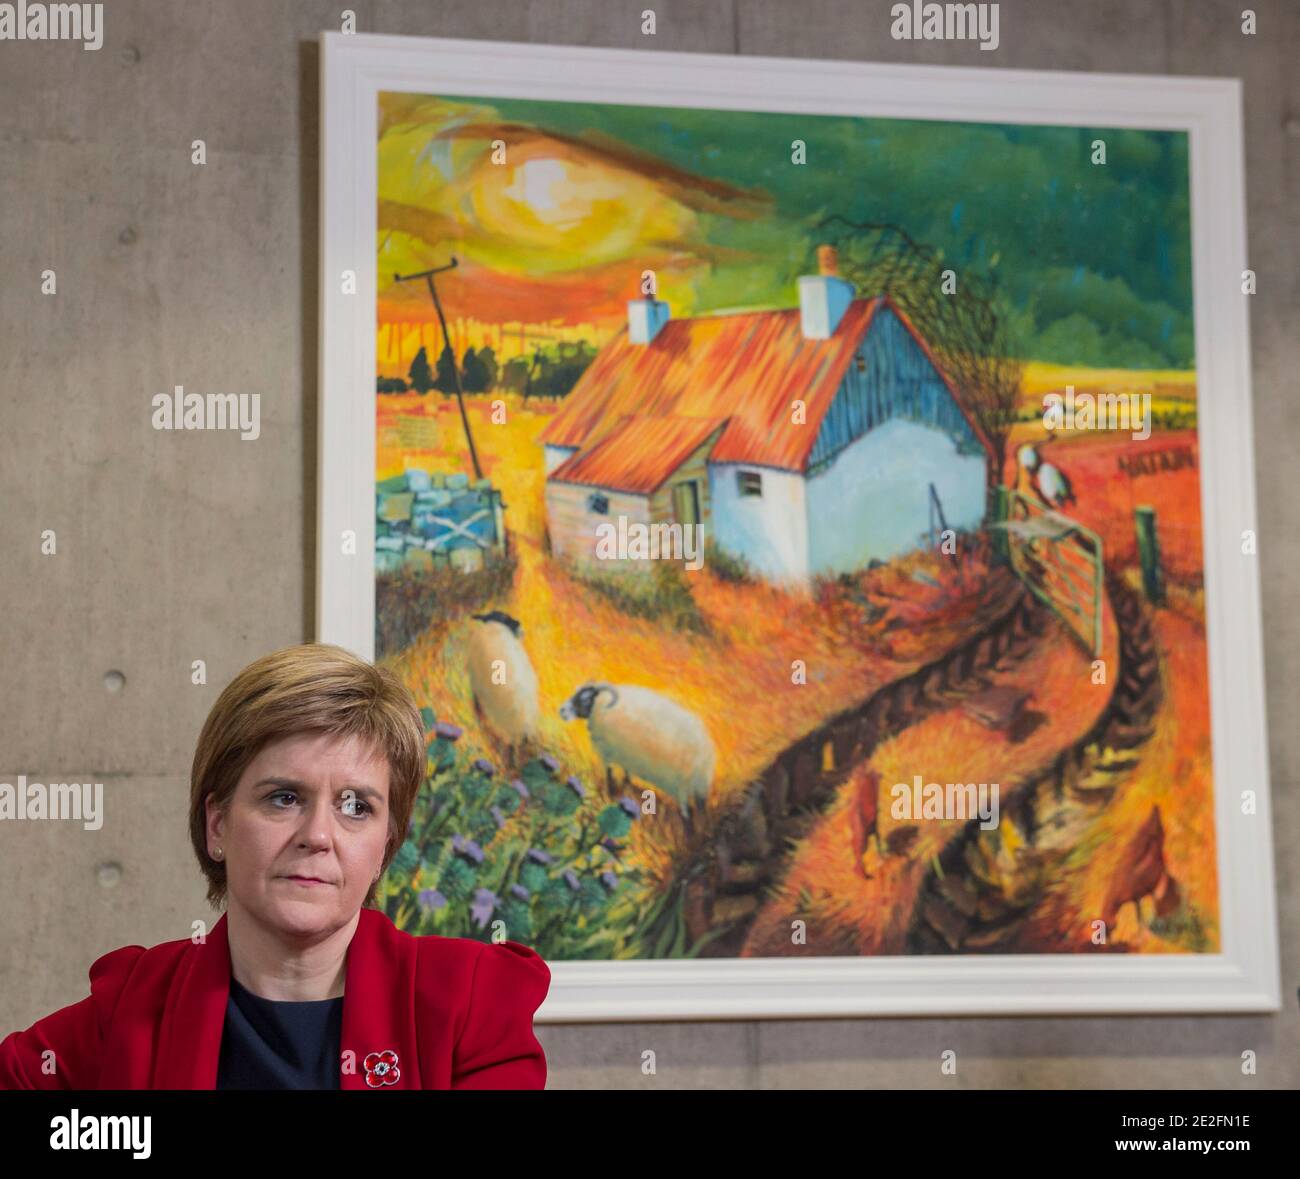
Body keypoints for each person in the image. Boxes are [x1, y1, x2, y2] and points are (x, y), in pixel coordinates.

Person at [0, 644, 550, 1090]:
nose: (317, 836)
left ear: (384, 845)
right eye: (284, 797)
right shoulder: (134, 1006)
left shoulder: (468, 1003)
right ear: (217, 825)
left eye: (357, 806)